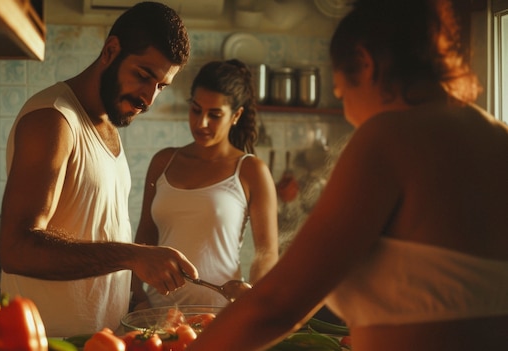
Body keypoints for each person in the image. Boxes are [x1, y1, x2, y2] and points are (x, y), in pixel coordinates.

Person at [186, 0, 508, 350]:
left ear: (366, 65)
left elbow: (278, 303)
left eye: (341, 94)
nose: (350, 115)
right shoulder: (499, 136)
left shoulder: (389, 137)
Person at [0, 1, 199, 337]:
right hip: (49, 341)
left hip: (102, 340)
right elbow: (17, 249)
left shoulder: (107, 125)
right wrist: (134, 256)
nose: (149, 98)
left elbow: (99, 229)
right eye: (143, 76)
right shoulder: (54, 119)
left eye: (161, 86)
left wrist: (136, 299)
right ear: (111, 50)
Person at [130, 59, 279, 309]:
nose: (201, 123)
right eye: (196, 110)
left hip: (220, 316)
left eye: (215, 115)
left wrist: (255, 298)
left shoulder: (251, 170)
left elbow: (267, 253)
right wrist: (136, 293)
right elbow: (145, 236)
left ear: (236, 116)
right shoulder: (163, 162)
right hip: (158, 314)